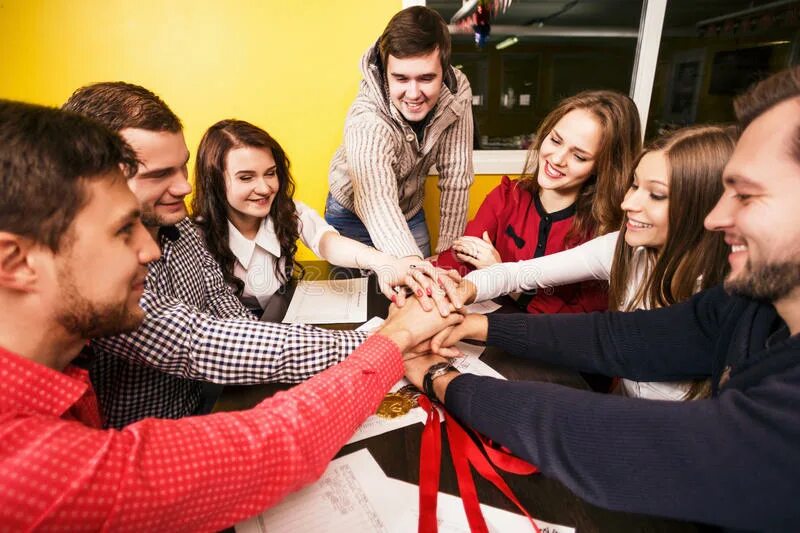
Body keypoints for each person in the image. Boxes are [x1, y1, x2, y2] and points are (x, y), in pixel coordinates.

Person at [0, 99, 463, 529]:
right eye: (124, 230)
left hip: (204, 405)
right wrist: (390, 340)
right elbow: (208, 356)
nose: (148, 248)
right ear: (17, 262)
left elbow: (231, 321)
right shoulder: (27, 467)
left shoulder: (176, 233)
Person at [402, 67, 800, 531]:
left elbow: (623, 442)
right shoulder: (745, 305)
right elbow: (619, 337)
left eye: (747, 195)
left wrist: (441, 379)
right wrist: (471, 323)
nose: (716, 217)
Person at [61, 82, 366, 428]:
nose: (184, 187)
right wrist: (375, 343)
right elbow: (198, 341)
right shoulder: (96, 266)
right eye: (159, 174)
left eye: (182, 167)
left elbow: (223, 306)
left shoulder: (183, 229)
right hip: (148, 438)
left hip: (208, 400)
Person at [457, 125, 735, 400]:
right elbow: (519, 273)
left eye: (657, 195)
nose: (628, 204)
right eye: (635, 185)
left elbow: (607, 340)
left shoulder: (721, 298)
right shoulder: (622, 247)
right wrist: (460, 292)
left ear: (707, 209)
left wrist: (473, 326)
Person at [191, 119, 456, 315]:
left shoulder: (286, 210)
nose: (264, 188)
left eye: (270, 173)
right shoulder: (197, 239)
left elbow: (327, 241)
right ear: (215, 181)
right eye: (246, 177)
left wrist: (386, 263)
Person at [436, 90, 642, 315]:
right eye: (555, 140)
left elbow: (576, 321)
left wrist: (499, 273)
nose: (556, 159)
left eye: (579, 156)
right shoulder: (507, 195)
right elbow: (459, 259)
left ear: (603, 166)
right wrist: (436, 280)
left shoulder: (603, 233)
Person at [325, 5, 474, 260]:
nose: (413, 94)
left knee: (422, 291)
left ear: (445, 70)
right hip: (351, 212)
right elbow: (375, 200)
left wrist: (450, 256)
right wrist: (412, 266)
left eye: (426, 78)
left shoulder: (457, 91)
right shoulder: (367, 117)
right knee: (362, 295)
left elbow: (456, 175)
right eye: (401, 79)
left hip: (409, 211)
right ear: (385, 73)